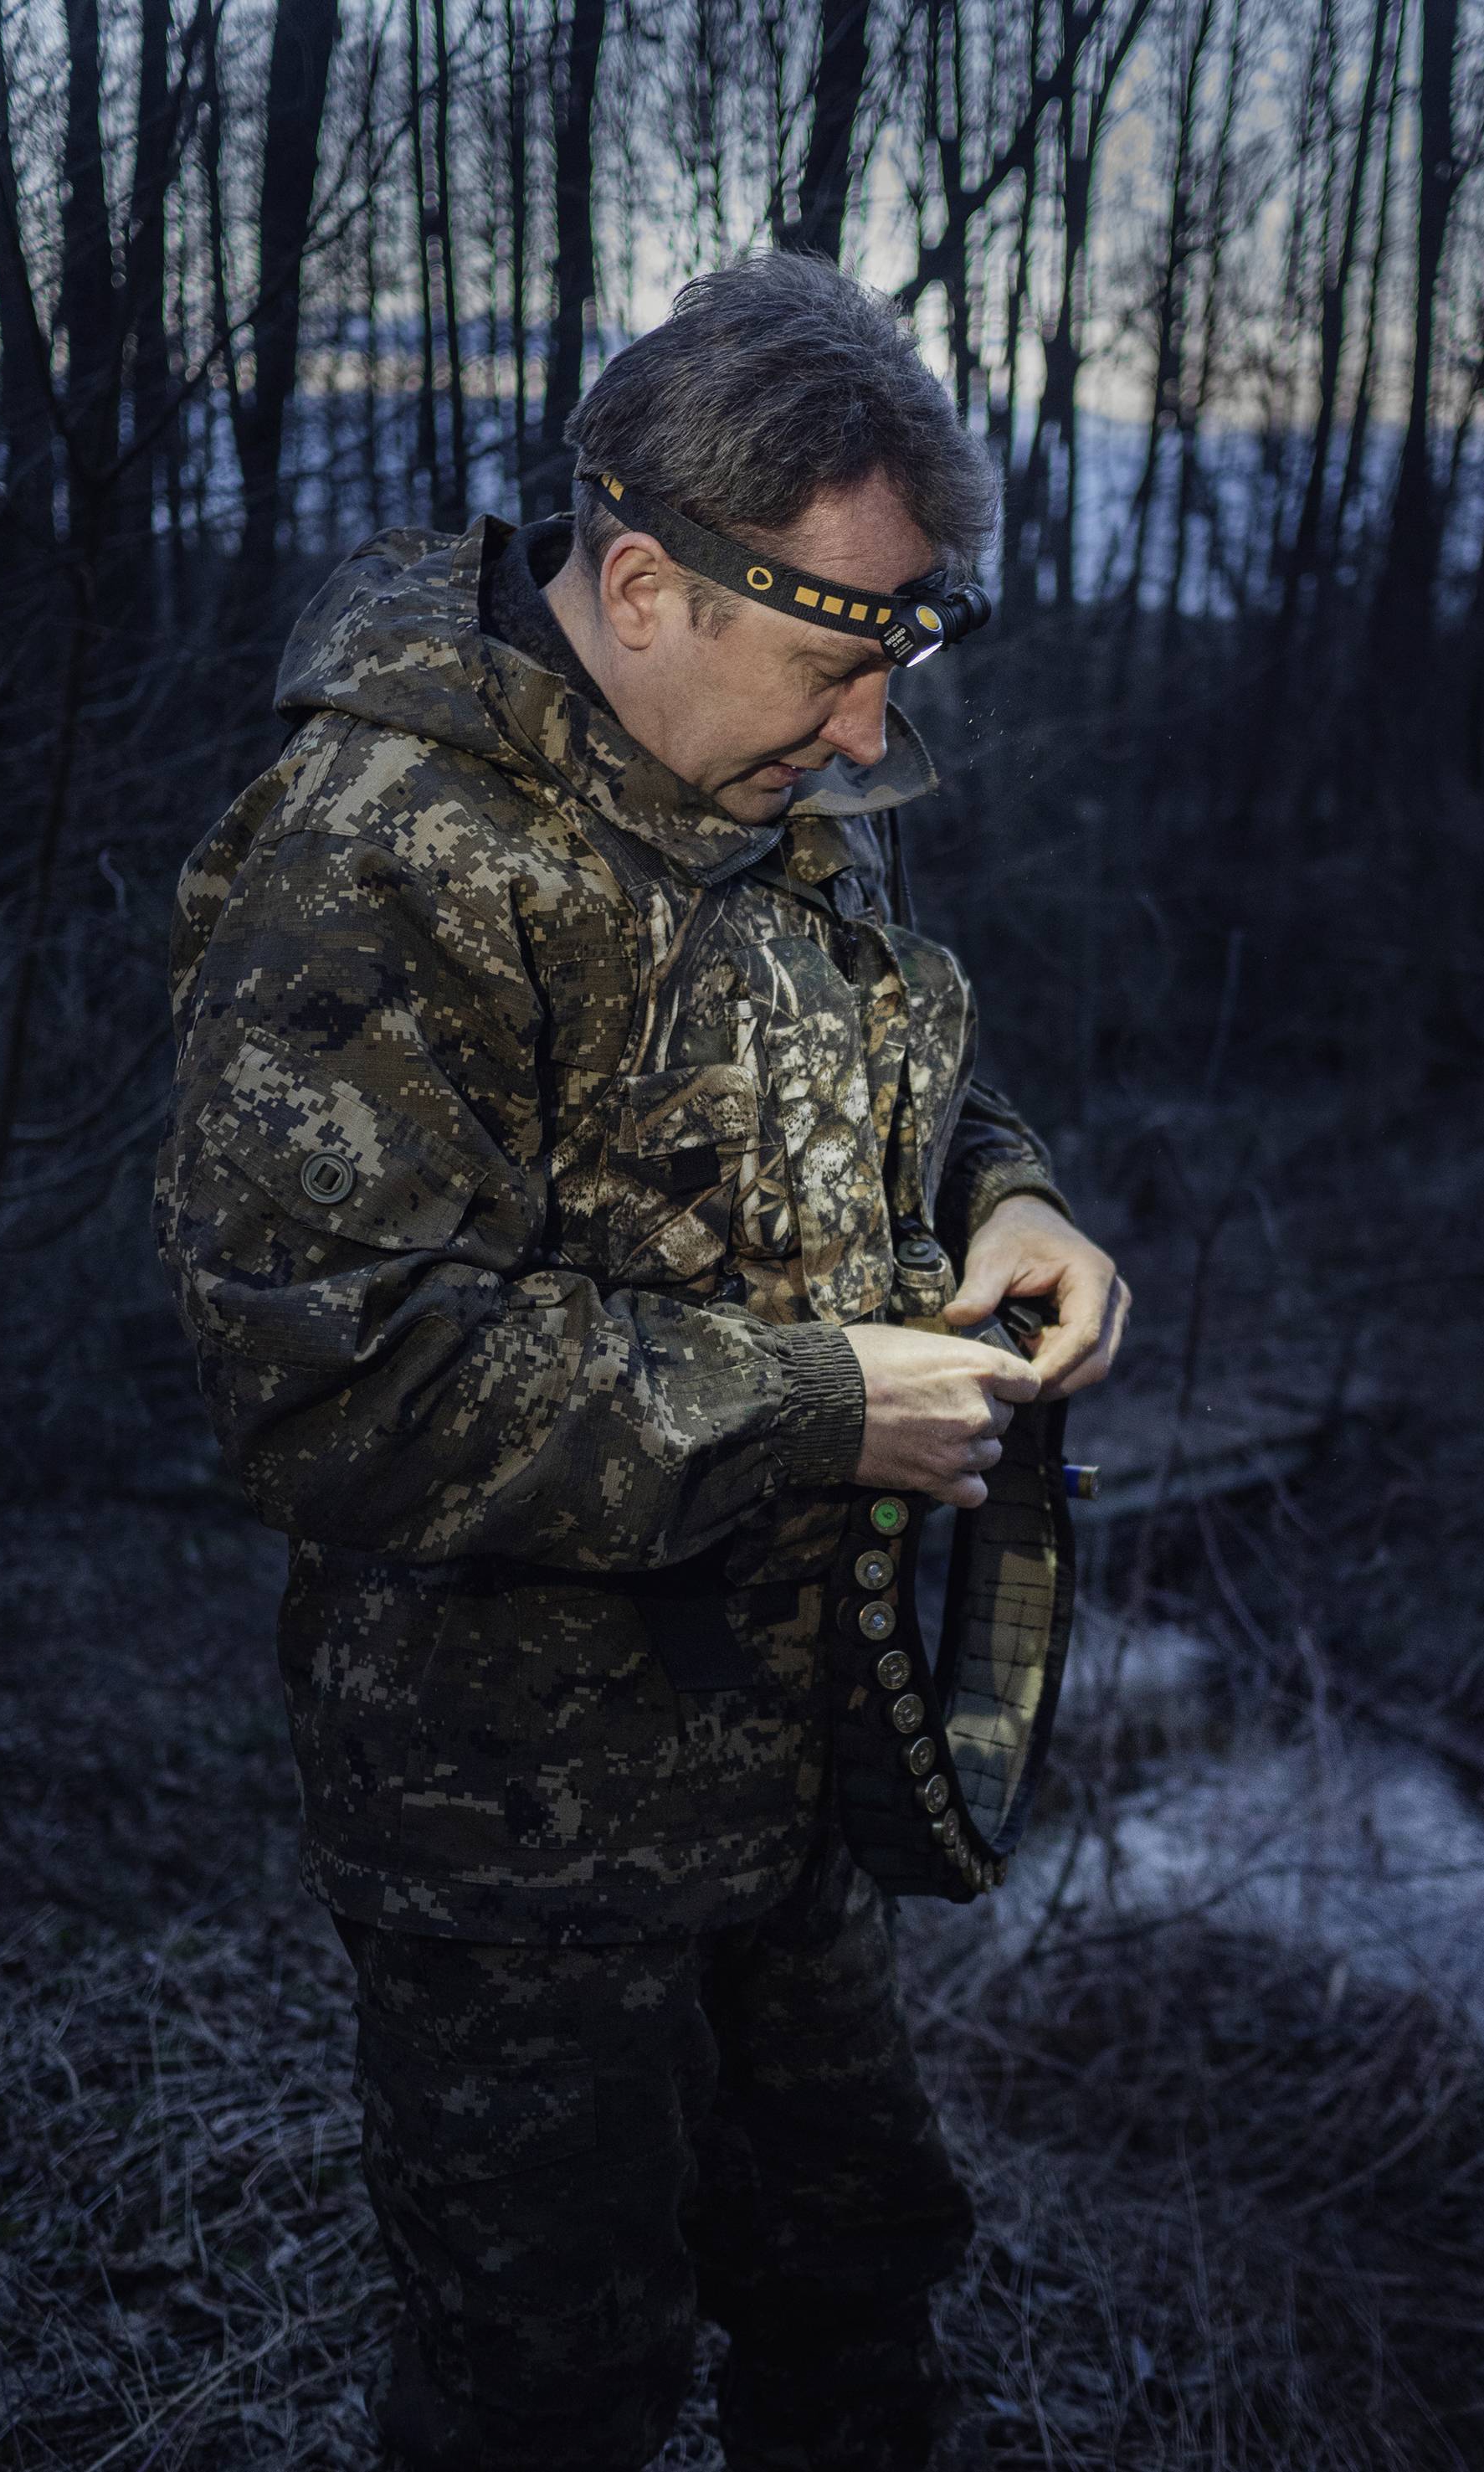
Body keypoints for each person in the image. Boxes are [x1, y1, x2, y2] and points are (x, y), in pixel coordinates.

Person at [155, 252, 1128, 2472]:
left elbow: (920, 1078)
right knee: (552, 2392)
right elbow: (338, 1382)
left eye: (900, 658)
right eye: (832, 657)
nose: (873, 734)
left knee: (857, 2287)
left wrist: (1013, 1200)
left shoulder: (779, 800)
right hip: (522, 1848)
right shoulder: (380, 860)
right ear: (642, 580)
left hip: (792, 1787)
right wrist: (823, 1401)